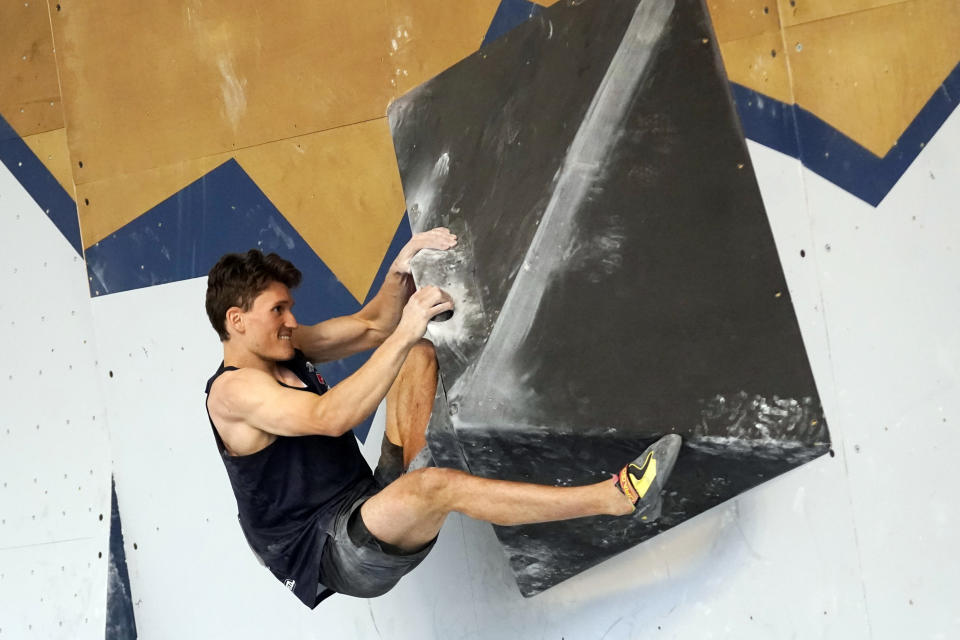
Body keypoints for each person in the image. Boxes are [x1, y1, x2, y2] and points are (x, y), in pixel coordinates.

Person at [204, 228, 682, 608]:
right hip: (334, 553)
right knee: (436, 485)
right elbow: (330, 416)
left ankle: (415, 484)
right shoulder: (233, 392)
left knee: (417, 355)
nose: (291, 320)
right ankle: (616, 498)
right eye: (278, 310)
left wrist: (400, 267)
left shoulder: (287, 349)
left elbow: (373, 326)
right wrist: (408, 325)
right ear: (236, 321)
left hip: (367, 501)